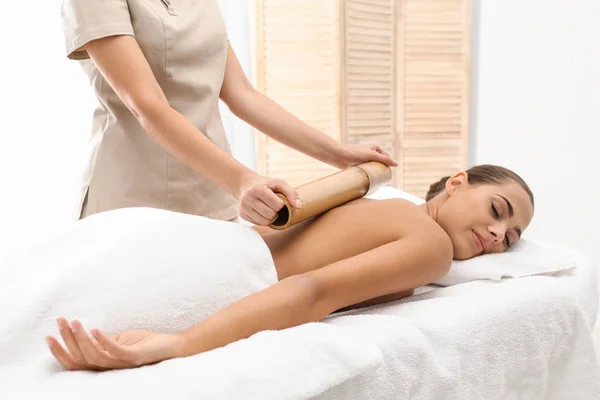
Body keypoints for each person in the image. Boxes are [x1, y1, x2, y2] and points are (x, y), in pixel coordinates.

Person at [44, 164, 535, 371]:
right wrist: (180, 344)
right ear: (456, 182)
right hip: (214, 266)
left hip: (181, 237)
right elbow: (312, 291)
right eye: (497, 211)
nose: (498, 235)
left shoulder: (384, 204)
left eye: (511, 238)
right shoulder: (431, 247)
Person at [61, 0, 396, 224]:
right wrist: (243, 180)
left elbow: (242, 95)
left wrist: (338, 153)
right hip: (132, 202)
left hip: (210, 195)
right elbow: (147, 104)